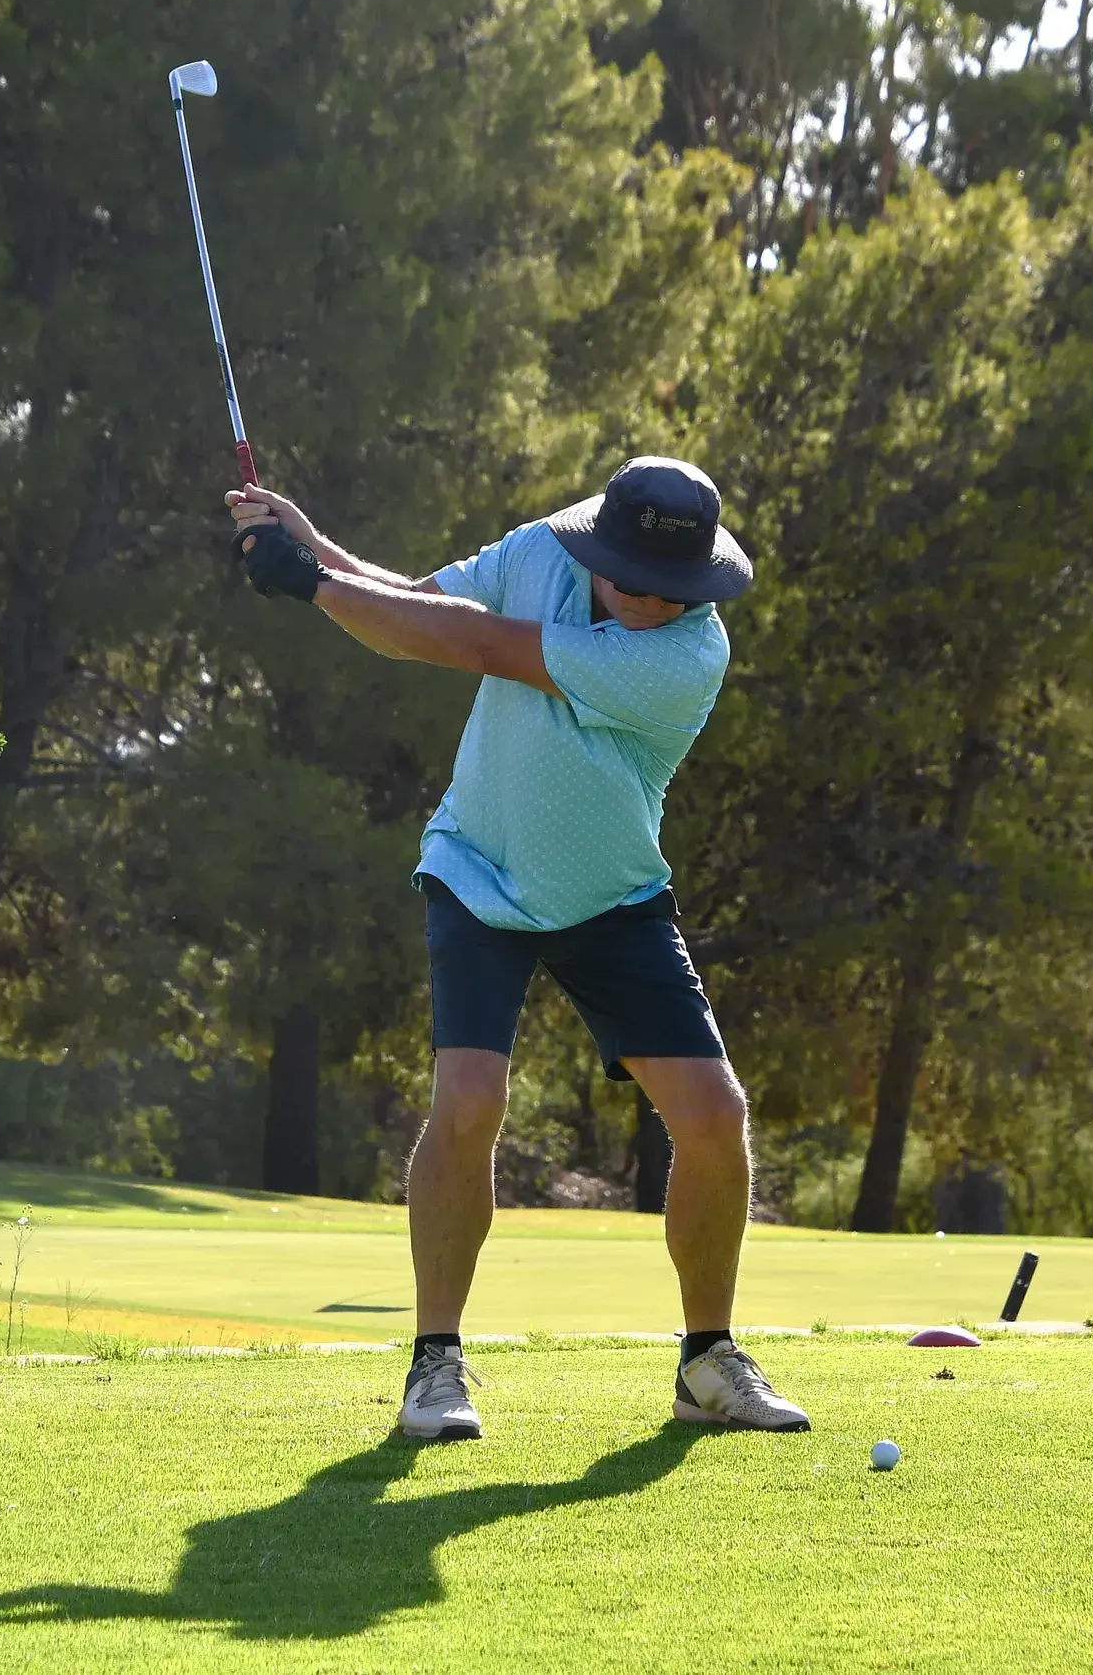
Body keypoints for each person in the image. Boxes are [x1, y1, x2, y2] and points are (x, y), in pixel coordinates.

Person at [226, 457, 810, 1441]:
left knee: (714, 1113)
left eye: (674, 589)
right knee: (470, 1098)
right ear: (600, 553)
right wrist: (311, 539)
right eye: (633, 579)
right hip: (480, 869)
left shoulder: (685, 658)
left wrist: (310, 583)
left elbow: (470, 643)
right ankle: (434, 1367)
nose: (649, 601)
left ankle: (706, 1359)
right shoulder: (542, 547)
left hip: (610, 892)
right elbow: (418, 602)